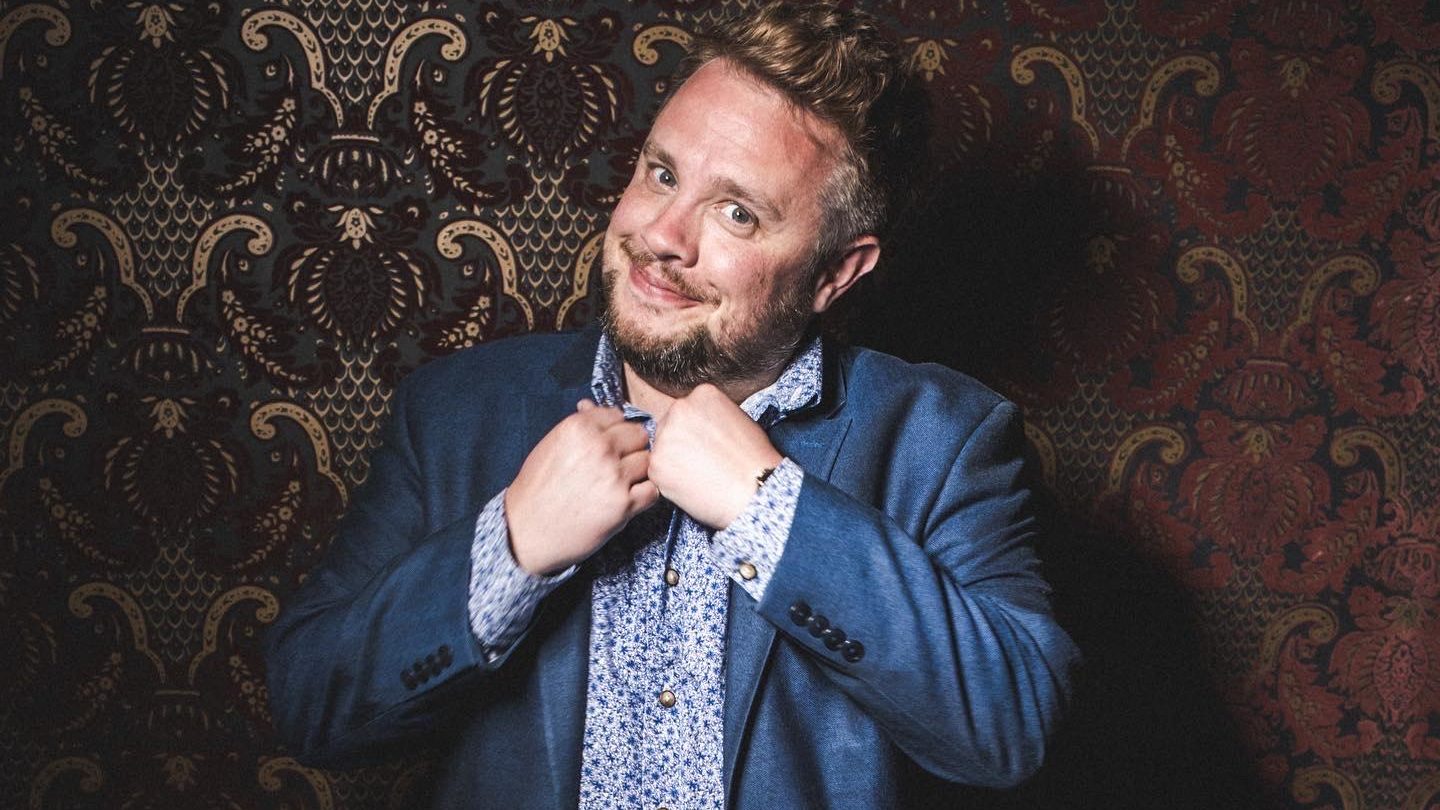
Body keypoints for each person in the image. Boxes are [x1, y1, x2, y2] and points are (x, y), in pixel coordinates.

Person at [264, 4, 1078, 807]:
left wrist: (771, 512)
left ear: (835, 273)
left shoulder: (943, 439)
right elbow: (310, 707)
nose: (662, 236)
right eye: (662, 175)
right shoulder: (454, 411)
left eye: (737, 213)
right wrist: (509, 549)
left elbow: (1011, 732)